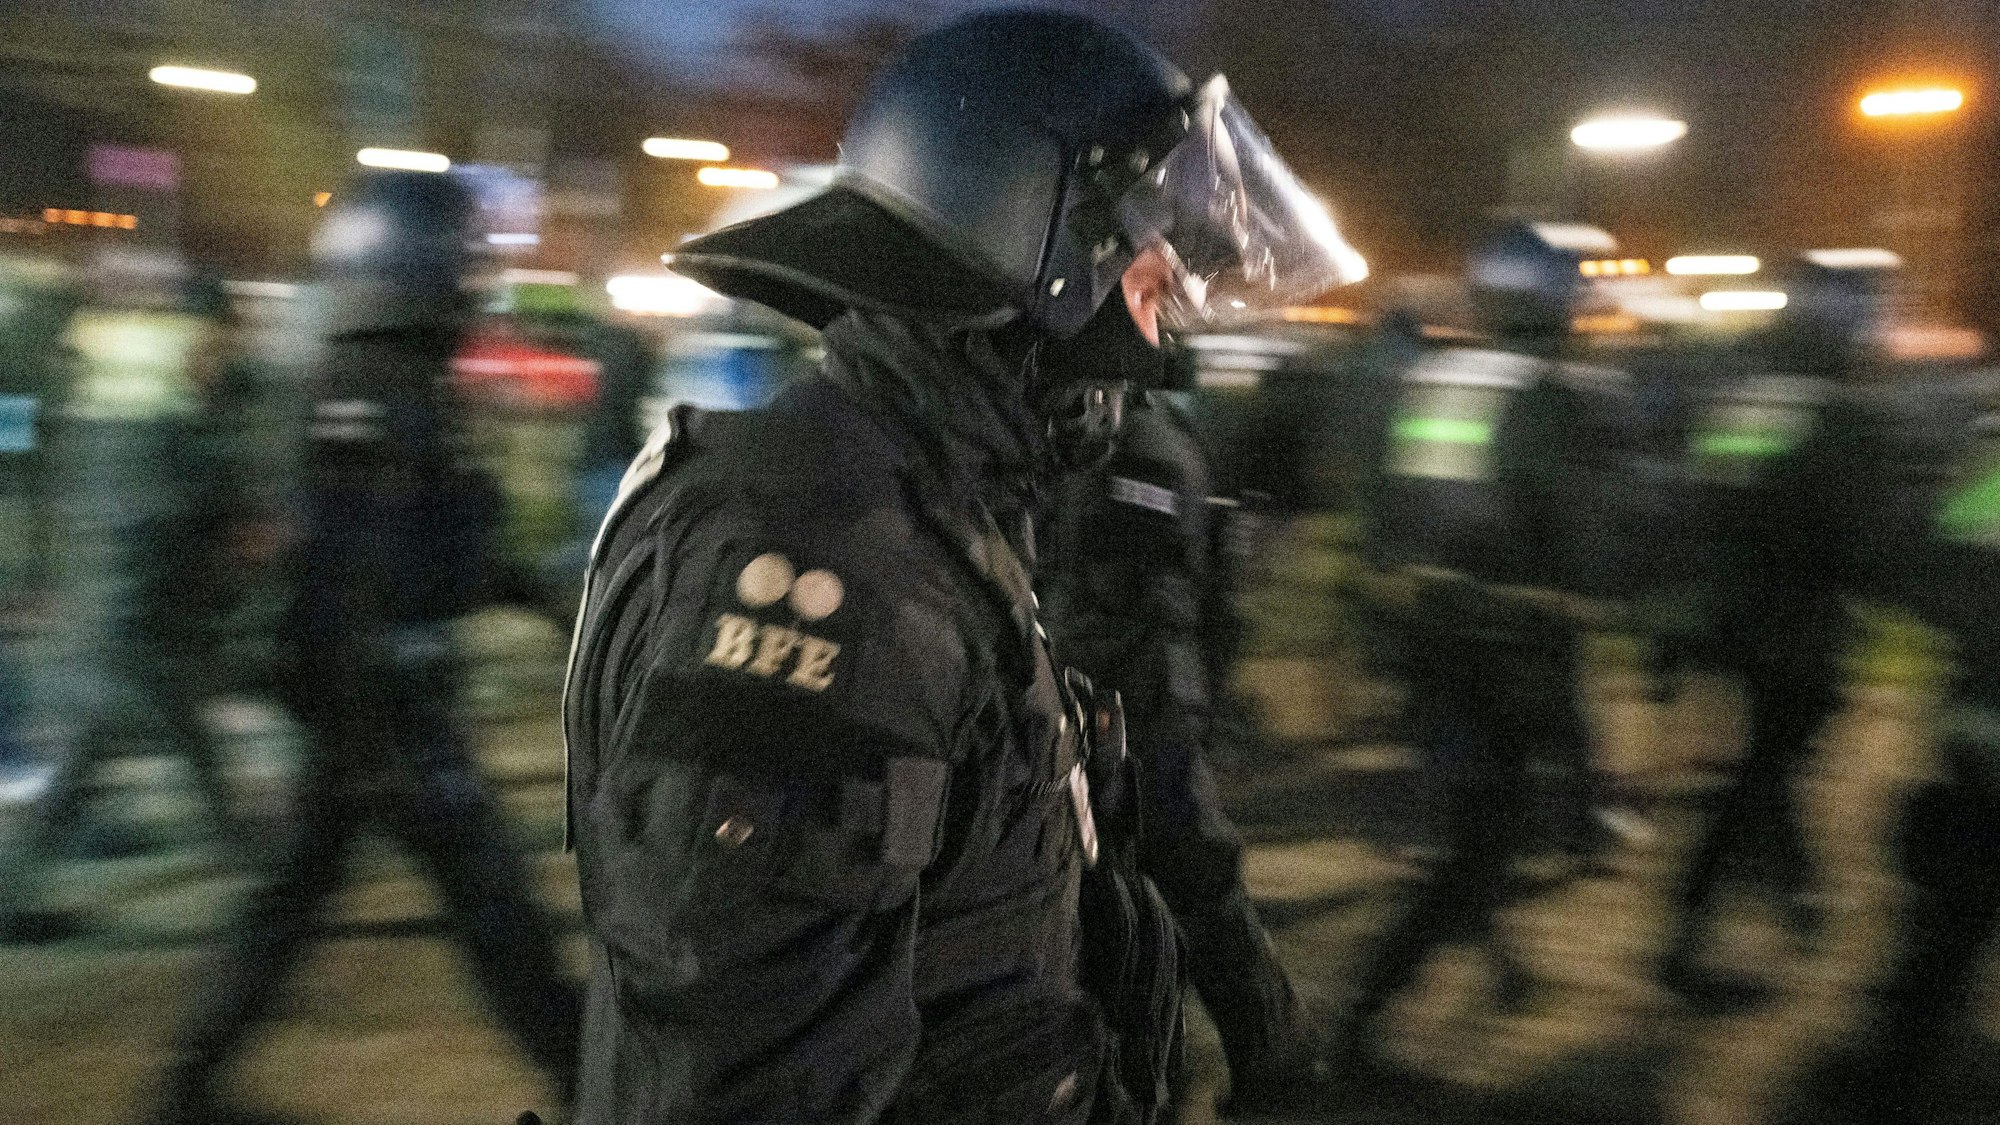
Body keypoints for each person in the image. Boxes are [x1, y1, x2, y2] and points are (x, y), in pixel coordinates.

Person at [561, 10, 1366, 1123]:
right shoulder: (825, 557)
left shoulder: (930, 514)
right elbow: (748, 1075)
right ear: (1027, 239)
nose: (1158, 331)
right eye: (1146, 279)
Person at [146, 171, 580, 1125]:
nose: (474, 282)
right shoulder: (372, 392)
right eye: (462, 261)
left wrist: (541, 597)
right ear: (411, 262)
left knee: (294, 901)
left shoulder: (386, 382)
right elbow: (350, 572)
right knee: (495, 909)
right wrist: (376, 735)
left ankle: (185, 1090)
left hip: (372, 709)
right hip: (387, 709)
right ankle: (592, 1083)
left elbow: (429, 545)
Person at [1333, 222, 1641, 1062]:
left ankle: (1502, 967)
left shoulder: (1434, 378)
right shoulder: (1550, 395)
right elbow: (1575, 528)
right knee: (1483, 837)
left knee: (1477, 821)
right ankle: (1360, 1022)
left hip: (1428, 631)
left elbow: (1388, 503)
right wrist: (1594, 594)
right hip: (1508, 644)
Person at [1038, 371, 1323, 1116]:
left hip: (1139, 710)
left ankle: (1272, 1053)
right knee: (1123, 898)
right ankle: (1161, 1071)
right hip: (1112, 704)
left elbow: (1139, 604)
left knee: (1196, 878)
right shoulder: (1099, 442)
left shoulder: (1143, 453)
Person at [1654, 253, 1895, 1009]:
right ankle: (1696, 917)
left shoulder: (1740, 402)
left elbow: (1697, 504)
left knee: (1769, 759)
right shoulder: (1845, 418)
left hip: (1726, 615)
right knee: (1765, 769)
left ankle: (1793, 892)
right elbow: (1859, 539)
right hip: (1797, 627)